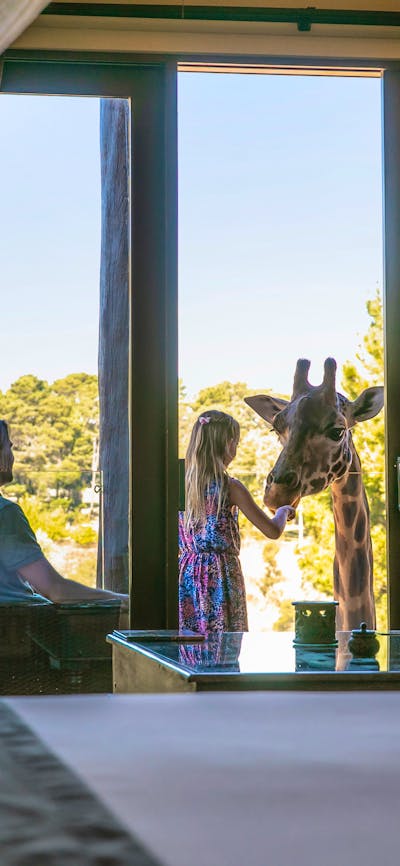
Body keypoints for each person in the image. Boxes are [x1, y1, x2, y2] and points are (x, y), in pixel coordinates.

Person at [179, 410, 296, 634]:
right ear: (228, 444)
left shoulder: (181, 485)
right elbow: (271, 530)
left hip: (187, 575)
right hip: (221, 576)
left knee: (191, 643)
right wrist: (282, 512)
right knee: (224, 644)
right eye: (236, 443)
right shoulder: (230, 487)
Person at [0, 419, 128, 609]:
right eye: (8, 447)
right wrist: (124, 600)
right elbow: (56, 590)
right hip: (24, 631)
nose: (12, 456)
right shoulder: (6, 513)